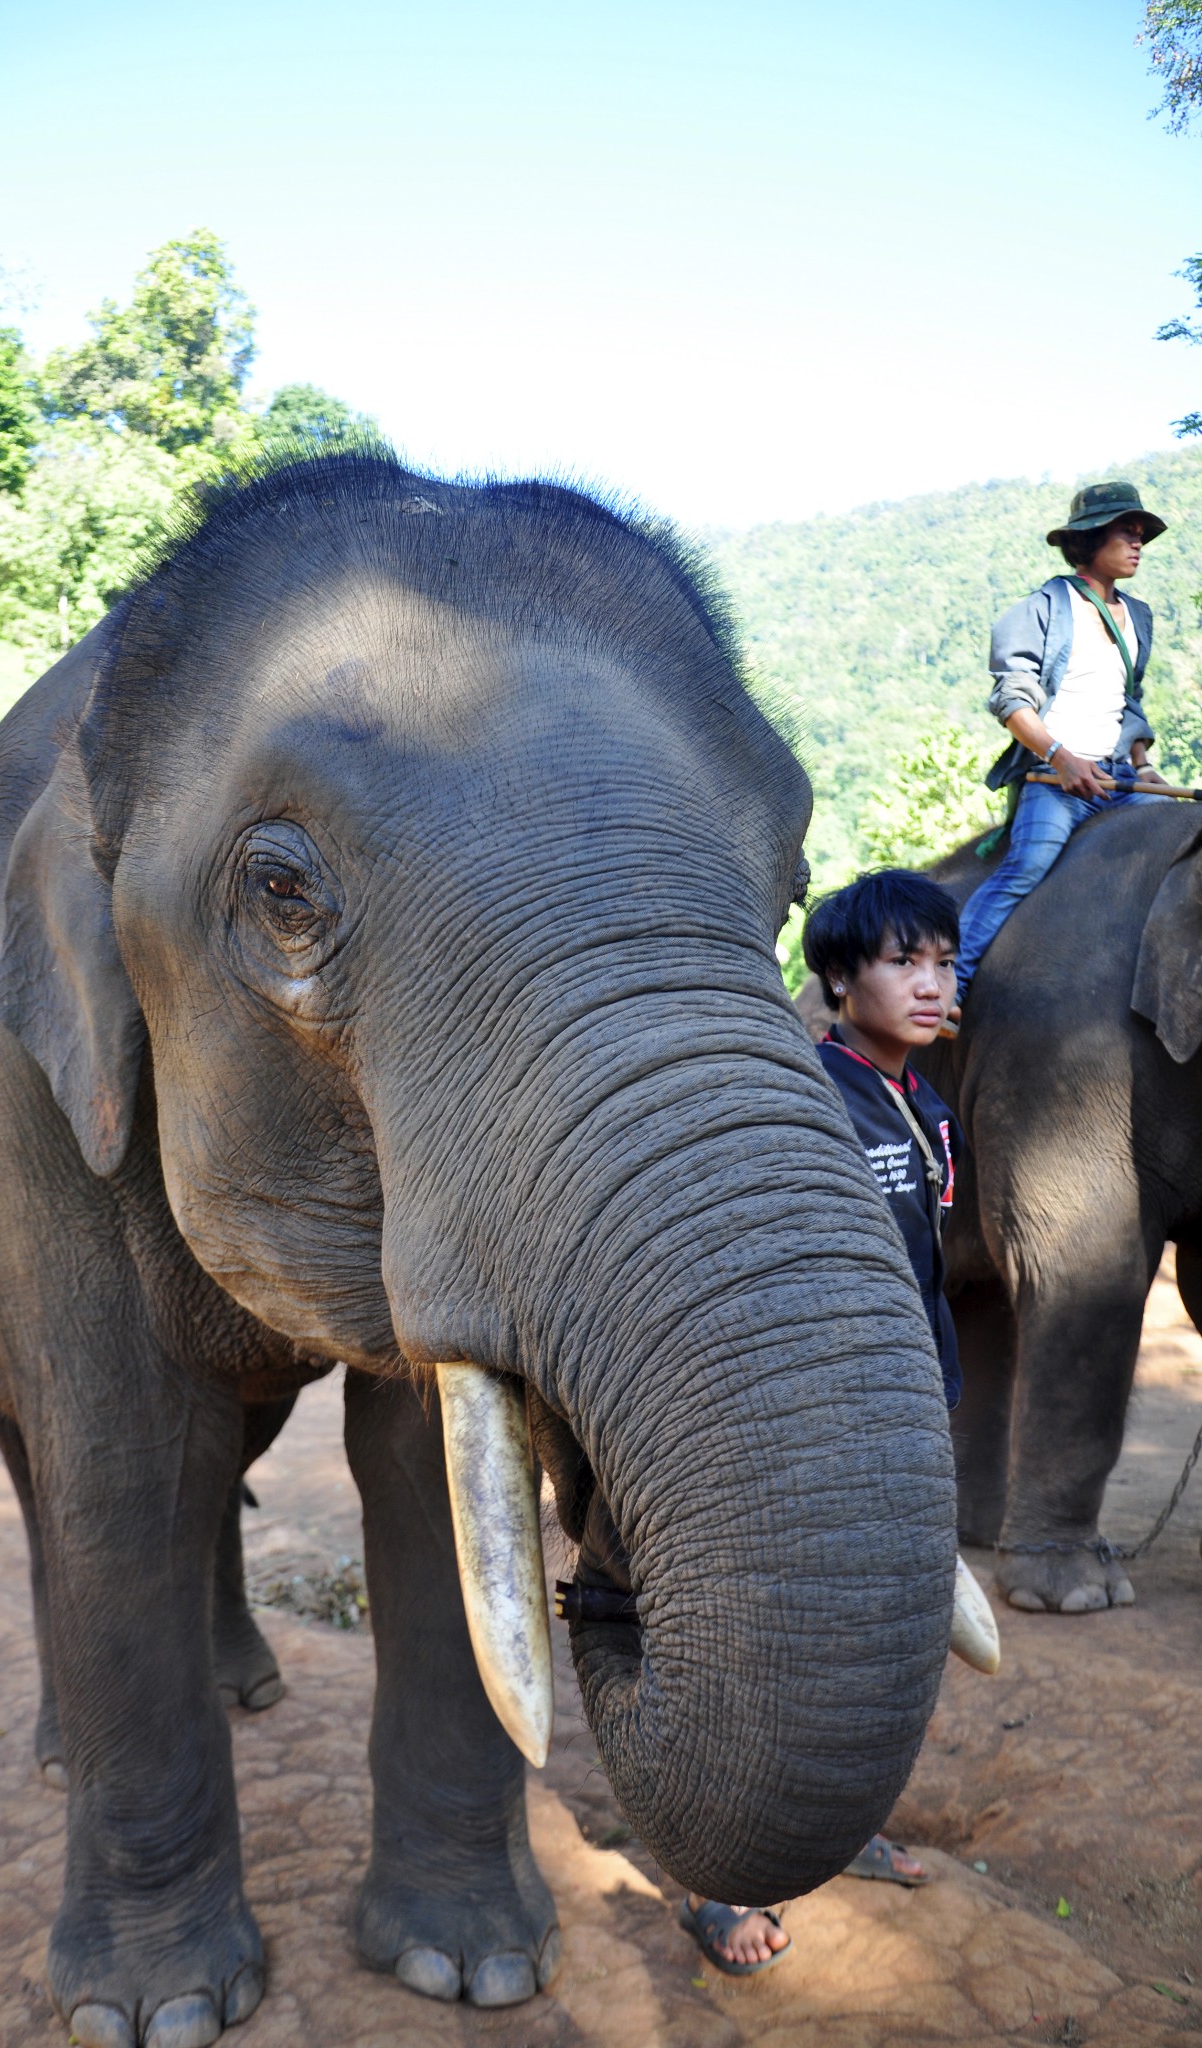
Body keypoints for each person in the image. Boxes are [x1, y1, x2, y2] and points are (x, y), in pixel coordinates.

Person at [679, 868, 967, 1977]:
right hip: (818, 1417)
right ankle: (724, 1872)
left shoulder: (921, 1102)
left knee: (883, 1637)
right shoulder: (809, 1089)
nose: (932, 984)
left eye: (942, 961)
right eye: (904, 962)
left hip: (908, 1397)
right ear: (839, 978)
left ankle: (834, 1824)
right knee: (779, 1636)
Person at [950, 480, 1169, 1026]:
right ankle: (951, 986)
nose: (1137, 544)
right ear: (1090, 539)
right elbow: (1011, 700)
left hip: (1121, 782)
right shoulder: (1043, 607)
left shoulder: (1138, 616)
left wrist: (1144, 766)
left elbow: (1129, 702)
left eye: (1141, 535)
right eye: (1126, 532)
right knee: (1026, 867)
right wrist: (1061, 757)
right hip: (1055, 781)